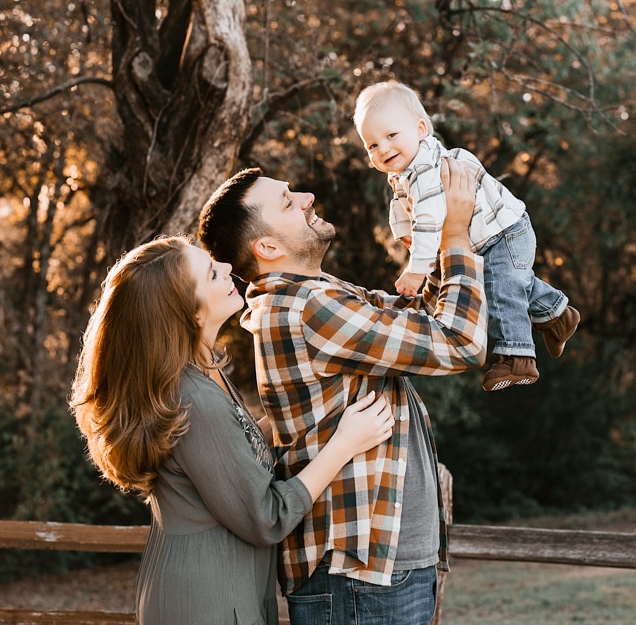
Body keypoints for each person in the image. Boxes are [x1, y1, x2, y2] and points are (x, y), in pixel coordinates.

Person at [196, 158, 487, 625]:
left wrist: (432, 248)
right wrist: (455, 238)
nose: (308, 197)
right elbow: (460, 341)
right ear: (267, 245)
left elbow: (421, 317)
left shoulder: (318, 293)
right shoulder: (309, 307)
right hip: (358, 575)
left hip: (376, 568)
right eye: (288, 202)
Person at [68, 235, 396, 625]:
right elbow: (266, 516)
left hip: (223, 584)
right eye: (211, 273)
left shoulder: (204, 372)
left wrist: (302, 409)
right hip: (206, 598)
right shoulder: (193, 397)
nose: (226, 268)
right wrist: (344, 443)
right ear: (189, 313)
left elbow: (234, 450)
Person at [354, 80, 580, 392]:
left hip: (503, 233)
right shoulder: (405, 172)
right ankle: (557, 315)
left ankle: (517, 357)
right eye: (373, 145)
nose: (384, 148)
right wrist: (405, 234)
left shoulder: (425, 169)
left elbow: (431, 218)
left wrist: (416, 268)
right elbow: (402, 208)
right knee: (507, 282)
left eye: (391, 135)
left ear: (420, 129)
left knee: (501, 290)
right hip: (488, 237)